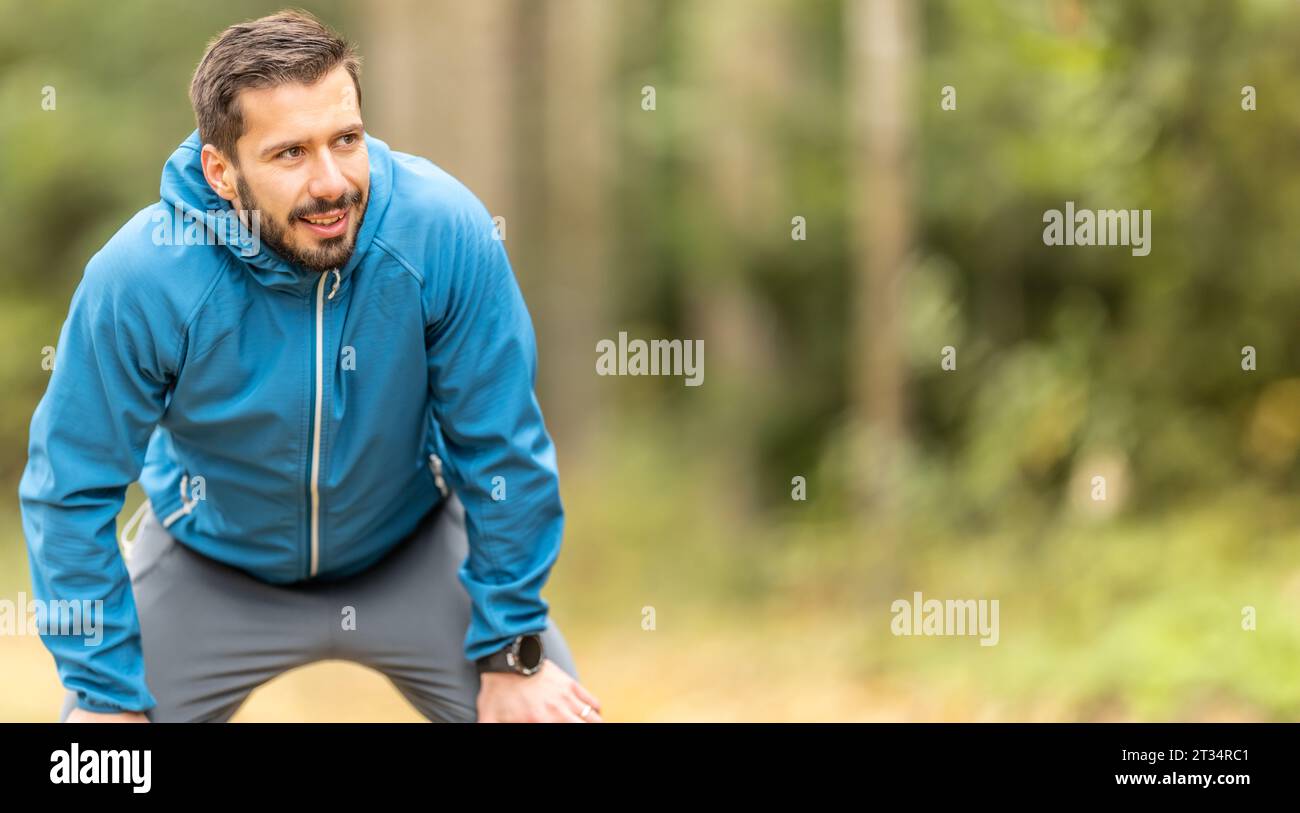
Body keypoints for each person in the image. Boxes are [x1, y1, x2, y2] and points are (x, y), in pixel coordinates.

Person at [19, 9, 601, 723]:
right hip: (210, 567)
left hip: (412, 552)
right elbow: (69, 487)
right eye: (290, 153)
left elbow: (502, 447)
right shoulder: (142, 277)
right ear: (221, 171)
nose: (331, 183)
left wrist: (513, 646)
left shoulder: (441, 231)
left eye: (346, 140)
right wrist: (106, 694)